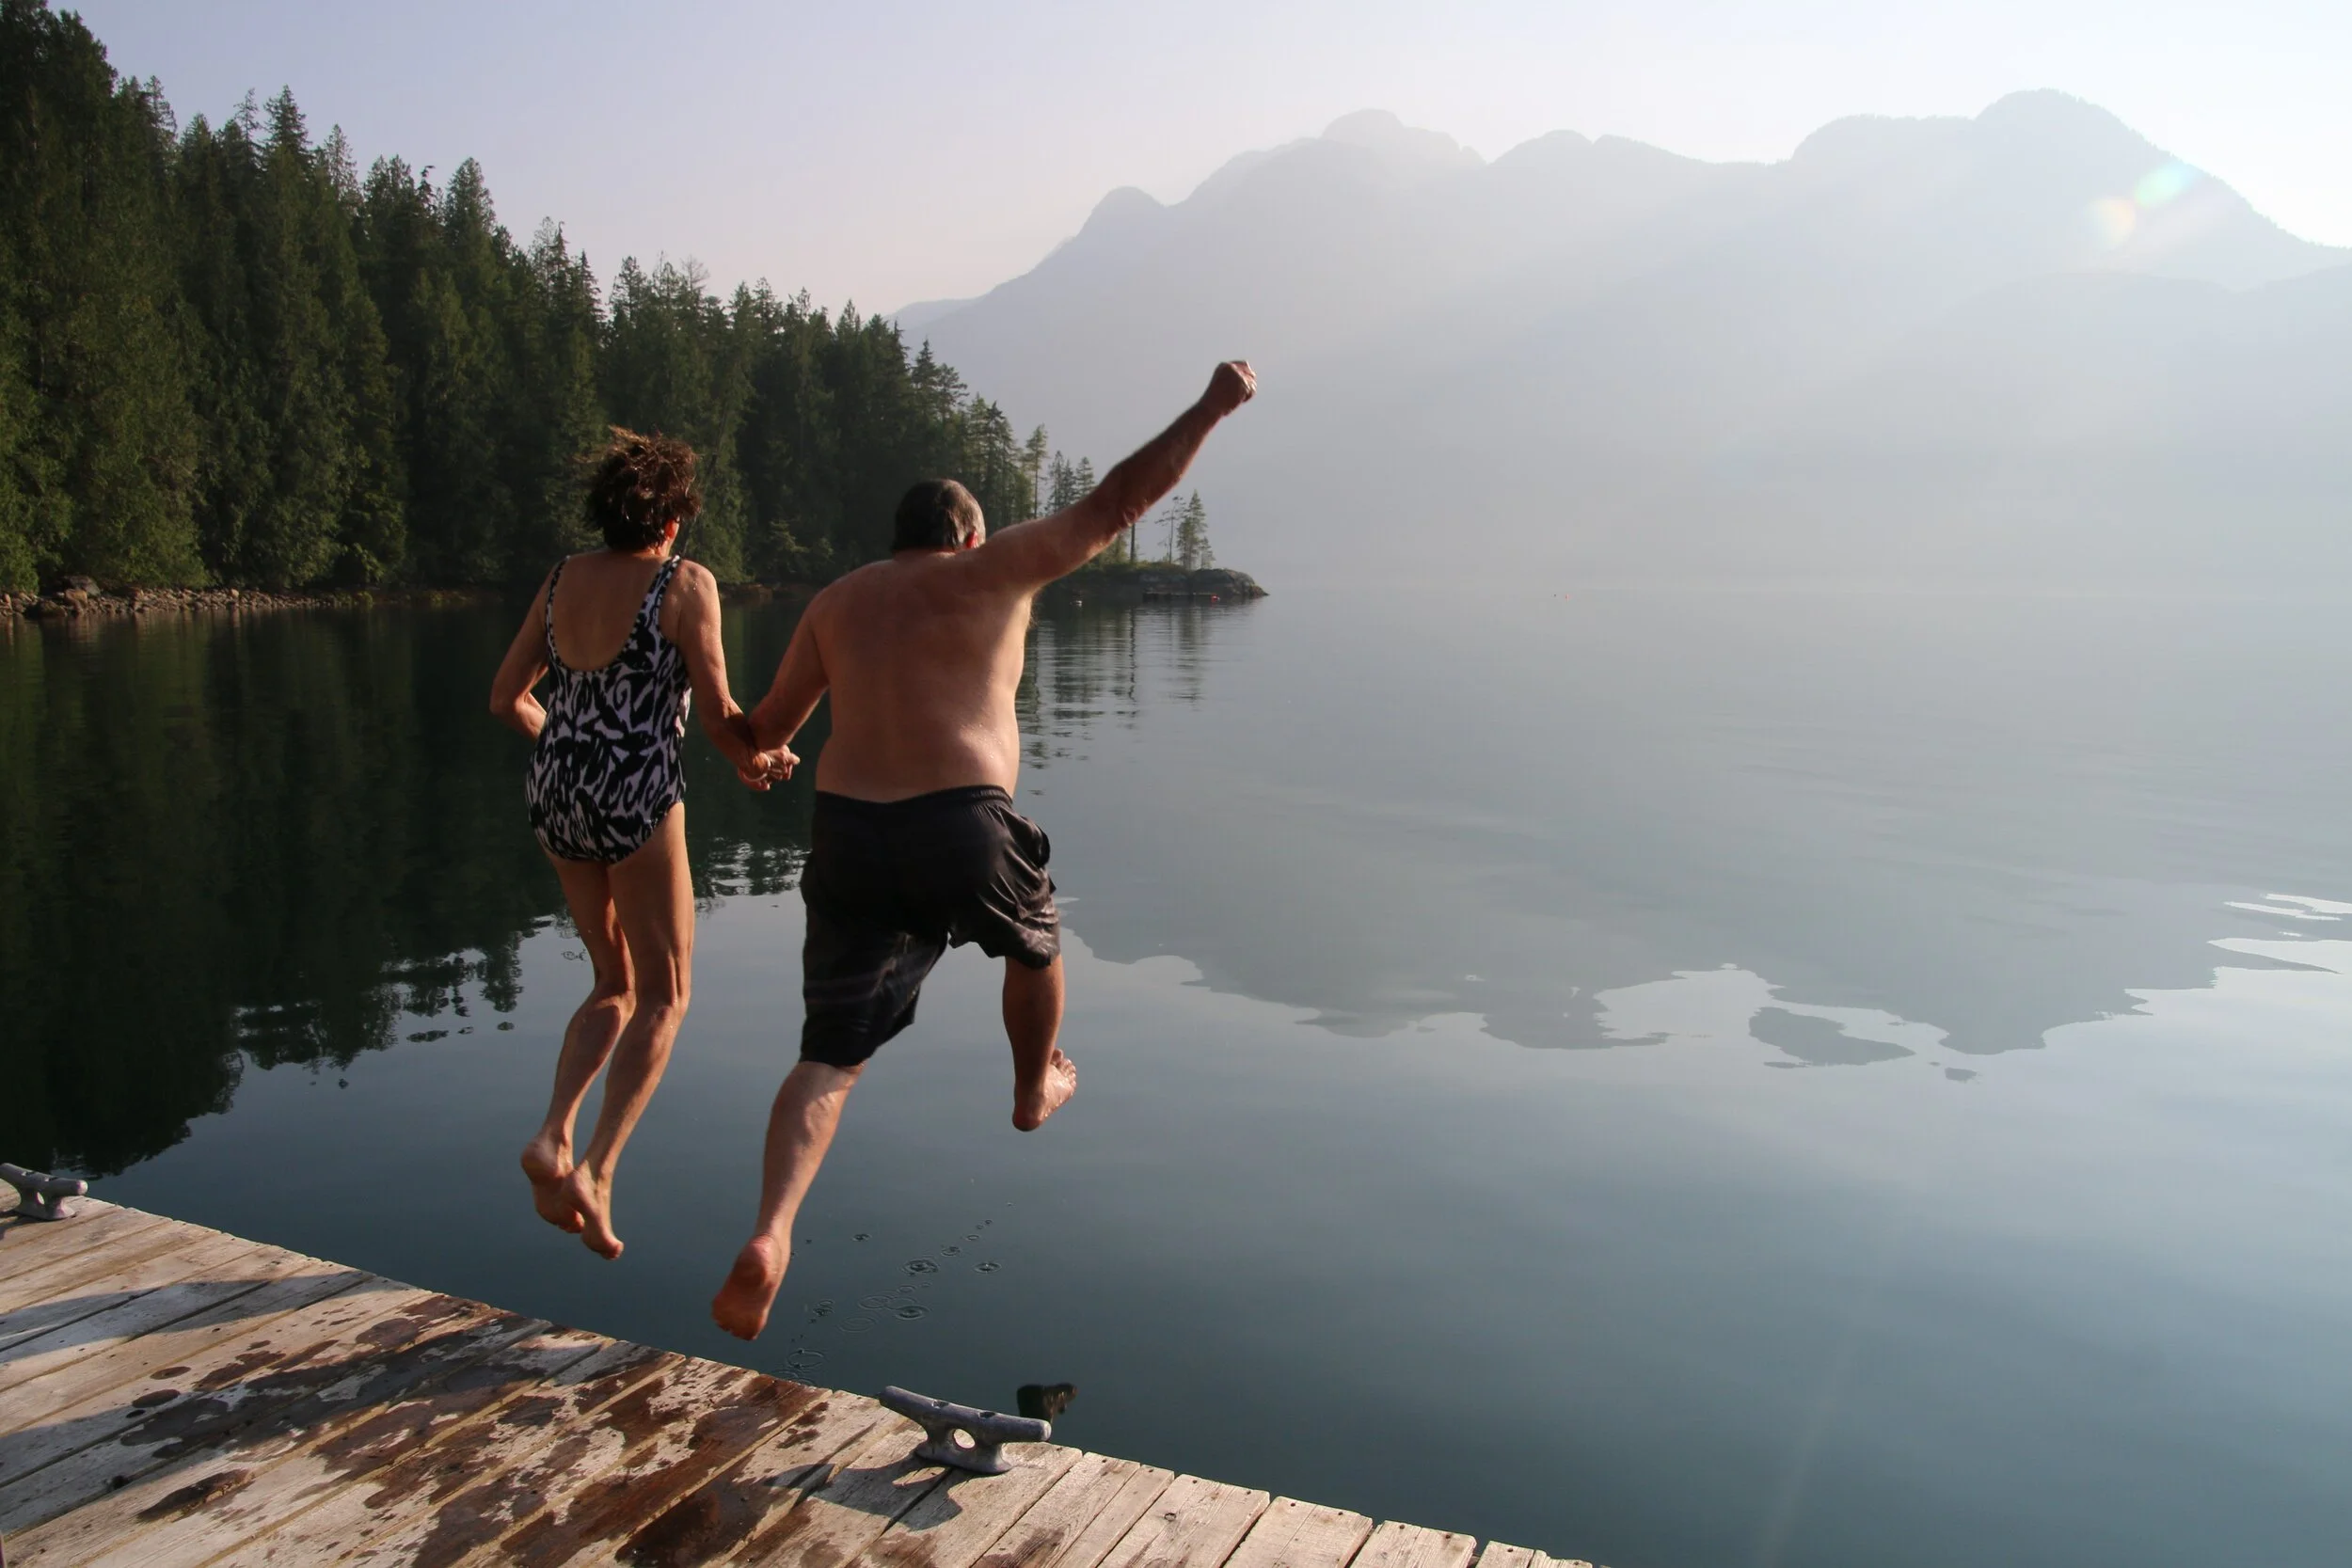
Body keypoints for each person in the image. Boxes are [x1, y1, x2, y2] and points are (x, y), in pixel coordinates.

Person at [709, 360, 1257, 1339]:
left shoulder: (836, 603)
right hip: (958, 816)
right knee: (1034, 939)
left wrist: (744, 741)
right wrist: (1211, 406)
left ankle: (770, 1231)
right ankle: (1030, 1084)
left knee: (829, 1055)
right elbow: (1121, 498)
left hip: (847, 831)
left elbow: (763, 730)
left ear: (895, 539)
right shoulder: (991, 569)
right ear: (967, 534)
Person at [489, 429, 792, 1259]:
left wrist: (572, 744)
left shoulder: (560, 580)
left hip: (555, 788)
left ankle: (554, 1133)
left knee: (611, 979)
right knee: (666, 993)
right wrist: (762, 758)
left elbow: (505, 697)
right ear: (670, 521)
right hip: (636, 796)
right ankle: (597, 1169)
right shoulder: (682, 583)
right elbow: (727, 721)